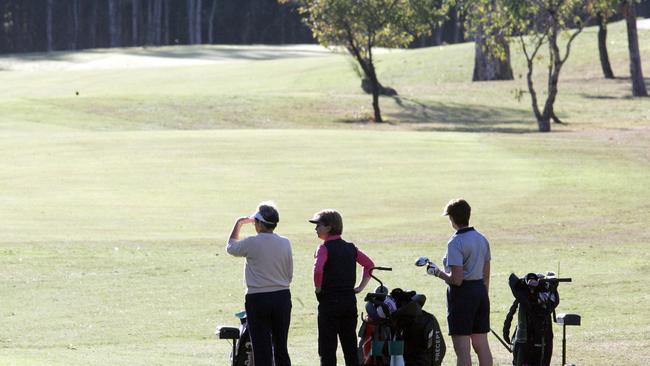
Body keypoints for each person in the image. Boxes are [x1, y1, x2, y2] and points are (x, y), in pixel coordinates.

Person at [426, 198, 493, 366]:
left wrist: (436, 272)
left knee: (462, 350)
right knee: (482, 345)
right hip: (480, 292)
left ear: (452, 219)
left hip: (463, 295)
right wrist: (482, 296)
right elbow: (486, 274)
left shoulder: (455, 242)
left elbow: (456, 279)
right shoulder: (481, 238)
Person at [226, 201, 293, 366]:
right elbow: (289, 273)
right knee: (281, 348)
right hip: (282, 297)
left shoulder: (252, 242)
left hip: (258, 299)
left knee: (261, 348)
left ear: (259, 223)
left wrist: (239, 223)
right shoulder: (285, 242)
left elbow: (231, 247)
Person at [309, 209, 375, 366]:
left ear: (329, 227)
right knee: (350, 347)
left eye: (318, 225)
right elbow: (369, 265)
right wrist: (359, 287)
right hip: (348, 303)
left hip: (329, 304)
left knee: (327, 349)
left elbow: (318, 270)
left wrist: (318, 288)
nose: (316, 229)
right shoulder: (351, 248)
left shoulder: (323, 248)